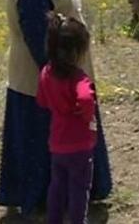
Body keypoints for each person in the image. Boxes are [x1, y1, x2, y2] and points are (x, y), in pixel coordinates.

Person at [0, 0, 112, 217]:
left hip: (57, 74)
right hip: (44, 80)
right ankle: (44, 198)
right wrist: (65, 79)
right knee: (53, 137)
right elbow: (40, 38)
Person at [37, 12, 97, 224]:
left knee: (57, 185)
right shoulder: (78, 78)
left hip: (57, 143)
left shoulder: (45, 73)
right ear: (75, 52)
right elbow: (86, 98)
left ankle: (53, 219)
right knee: (79, 189)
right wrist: (86, 115)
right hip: (80, 144)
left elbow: (42, 101)